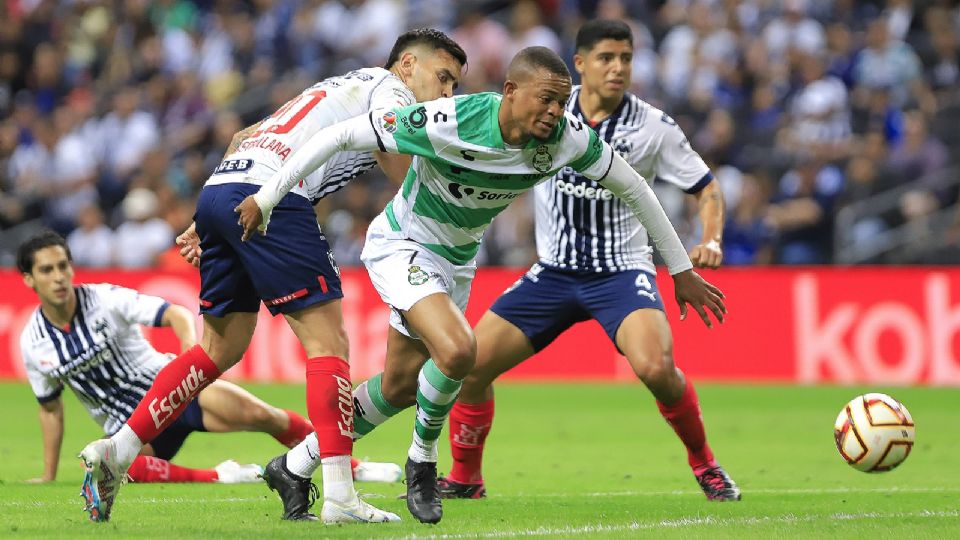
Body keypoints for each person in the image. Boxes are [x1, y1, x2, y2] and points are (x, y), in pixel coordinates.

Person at [237, 46, 726, 524]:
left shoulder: (566, 139)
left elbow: (636, 188)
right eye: (545, 100)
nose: (555, 112)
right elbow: (342, 136)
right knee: (458, 352)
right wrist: (269, 195)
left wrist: (681, 270)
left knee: (399, 386)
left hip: (457, 264)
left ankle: (294, 465)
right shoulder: (450, 120)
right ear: (510, 91)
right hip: (403, 245)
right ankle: (422, 461)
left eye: (561, 102)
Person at [77, 28, 467, 524]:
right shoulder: (392, 91)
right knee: (330, 345)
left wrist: (204, 220)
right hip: (274, 197)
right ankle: (341, 495)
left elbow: (242, 136)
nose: (448, 95)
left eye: (455, 87)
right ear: (408, 65)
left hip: (223, 187)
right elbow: (403, 171)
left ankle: (120, 447)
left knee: (218, 349)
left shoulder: (334, 85)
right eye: (444, 78)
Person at [439, 20, 741, 502]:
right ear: (580, 63)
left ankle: (706, 465)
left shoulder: (654, 128)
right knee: (470, 368)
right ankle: (465, 478)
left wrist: (712, 240)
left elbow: (706, 188)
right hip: (553, 273)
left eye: (626, 58)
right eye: (606, 57)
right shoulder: (547, 109)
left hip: (622, 271)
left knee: (656, 368)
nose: (618, 68)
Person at [17, 231, 402, 488]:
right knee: (113, 463)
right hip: (127, 425)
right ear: (29, 280)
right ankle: (219, 476)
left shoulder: (102, 299)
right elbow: (49, 410)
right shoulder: (34, 343)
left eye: (63, 266)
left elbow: (175, 313)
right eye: (47, 270)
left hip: (173, 394)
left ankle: (353, 467)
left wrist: (189, 354)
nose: (59, 277)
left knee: (268, 417)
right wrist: (49, 475)